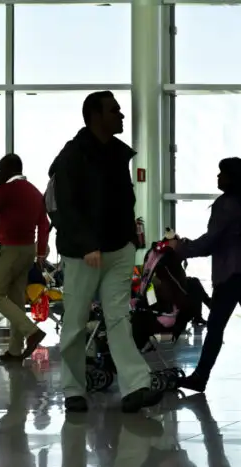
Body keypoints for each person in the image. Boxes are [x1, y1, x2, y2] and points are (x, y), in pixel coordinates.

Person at [53, 91, 161, 414]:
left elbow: (122, 203)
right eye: (115, 111)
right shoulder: (72, 156)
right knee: (74, 322)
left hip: (118, 250)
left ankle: (137, 385)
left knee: (118, 318)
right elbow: (64, 208)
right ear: (94, 116)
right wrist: (87, 244)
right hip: (83, 253)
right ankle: (73, 388)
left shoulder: (117, 154)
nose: (122, 116)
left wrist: (130, 240)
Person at [168, 158, 241, 393]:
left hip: (231, 274)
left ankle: (200, 377)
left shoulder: (225, 204)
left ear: (232, 177)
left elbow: (211, 241)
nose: (218, 177)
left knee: (216, 326)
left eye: (222, 173)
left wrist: (182, 248)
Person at [0, 153, 51, 363]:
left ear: (7, 171)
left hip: (10, 250)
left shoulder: (6, 190)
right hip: (28, 250)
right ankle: (15, 350)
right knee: (16, 298)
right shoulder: (34, 191)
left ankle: (31, 331)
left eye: (1, 169)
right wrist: (40, 253)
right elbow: (44, 224)